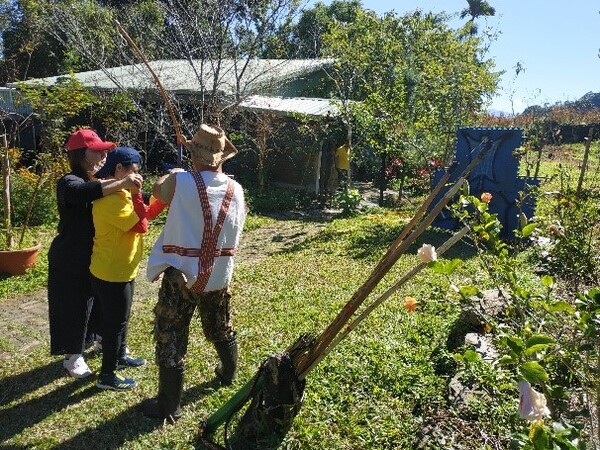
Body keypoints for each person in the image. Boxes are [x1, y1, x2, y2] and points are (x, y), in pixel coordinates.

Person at [143, 123, 246, 422]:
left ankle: (169, 406)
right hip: (219, 273)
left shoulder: (180, 181)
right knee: (219, 322)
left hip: (182, 274)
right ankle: (228, 373)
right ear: (221, 158)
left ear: (193, 155)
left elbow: (157, 192)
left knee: (170, 332)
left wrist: (173, 174)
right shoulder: (236, 189)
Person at [48, 128, 142, 378]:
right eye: (97, 150)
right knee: (74, 306)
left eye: (104, 151)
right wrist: (121, 182)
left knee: (104, 303)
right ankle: (72, 356)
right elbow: (81, 194)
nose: (103, 155)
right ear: (81, 154)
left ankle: (104, 340)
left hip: (98, 255)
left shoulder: (101, 182)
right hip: (70, 257)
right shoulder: (69, 182)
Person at [89, 146, 166, 391]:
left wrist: (162, 193)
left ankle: (120, 356)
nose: (138, 176)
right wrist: (136, 193)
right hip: (111, 271)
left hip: (123, 268)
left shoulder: (120, 191)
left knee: (121, 319)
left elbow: (147, 212)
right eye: (134, 171)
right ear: (119, 169)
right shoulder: (111, 198)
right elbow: (141, 226)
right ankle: (107, 375)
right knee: (114, 324)